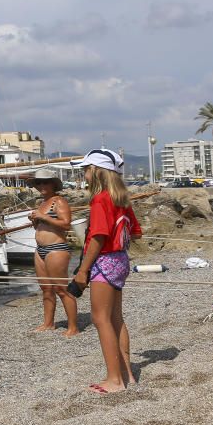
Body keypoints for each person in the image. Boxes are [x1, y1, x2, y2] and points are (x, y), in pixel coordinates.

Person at [70, 149, 143, 394]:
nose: (84, 174)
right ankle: (126, 374)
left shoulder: (100, 199)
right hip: (121, 260)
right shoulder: (121, 199)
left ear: (96, 171)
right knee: (116, 319)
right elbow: (135, 231)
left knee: (100, 319)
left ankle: (114, 380)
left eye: (86, 169)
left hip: (105, 262)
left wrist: (83, 270)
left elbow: (98, 237)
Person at [27, 168, 79, 336]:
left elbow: (66, 224)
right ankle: (48, 323)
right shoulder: (42, 203)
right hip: (40, 249)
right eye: (38, 183)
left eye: (45, 182)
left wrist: (45, 217)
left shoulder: (59, 201)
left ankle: (73, 327)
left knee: (61, 289)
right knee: (46, 289)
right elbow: (43, 226)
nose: (42, 185)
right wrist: (35, 221)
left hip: (56, 249)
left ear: (53, 184)